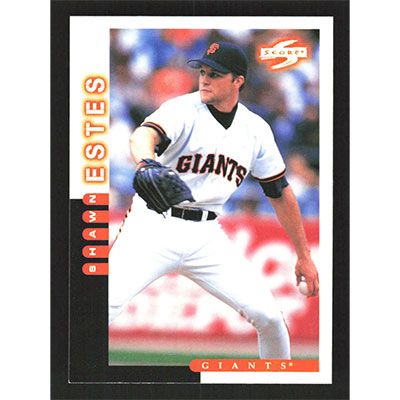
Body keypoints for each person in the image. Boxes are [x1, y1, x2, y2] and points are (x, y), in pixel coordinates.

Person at [108, 41, 319, 359]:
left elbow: (279, 191)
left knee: (271, 319)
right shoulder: (182, 109)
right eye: (203, 72)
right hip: (153, 225)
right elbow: (143, 135)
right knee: (98, 308)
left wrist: (303, 255)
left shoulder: (256, 130)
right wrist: (146, 161)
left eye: (215, 74)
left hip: (206, 234)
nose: (205, 79)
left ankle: (279, 383)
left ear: (238, 81)